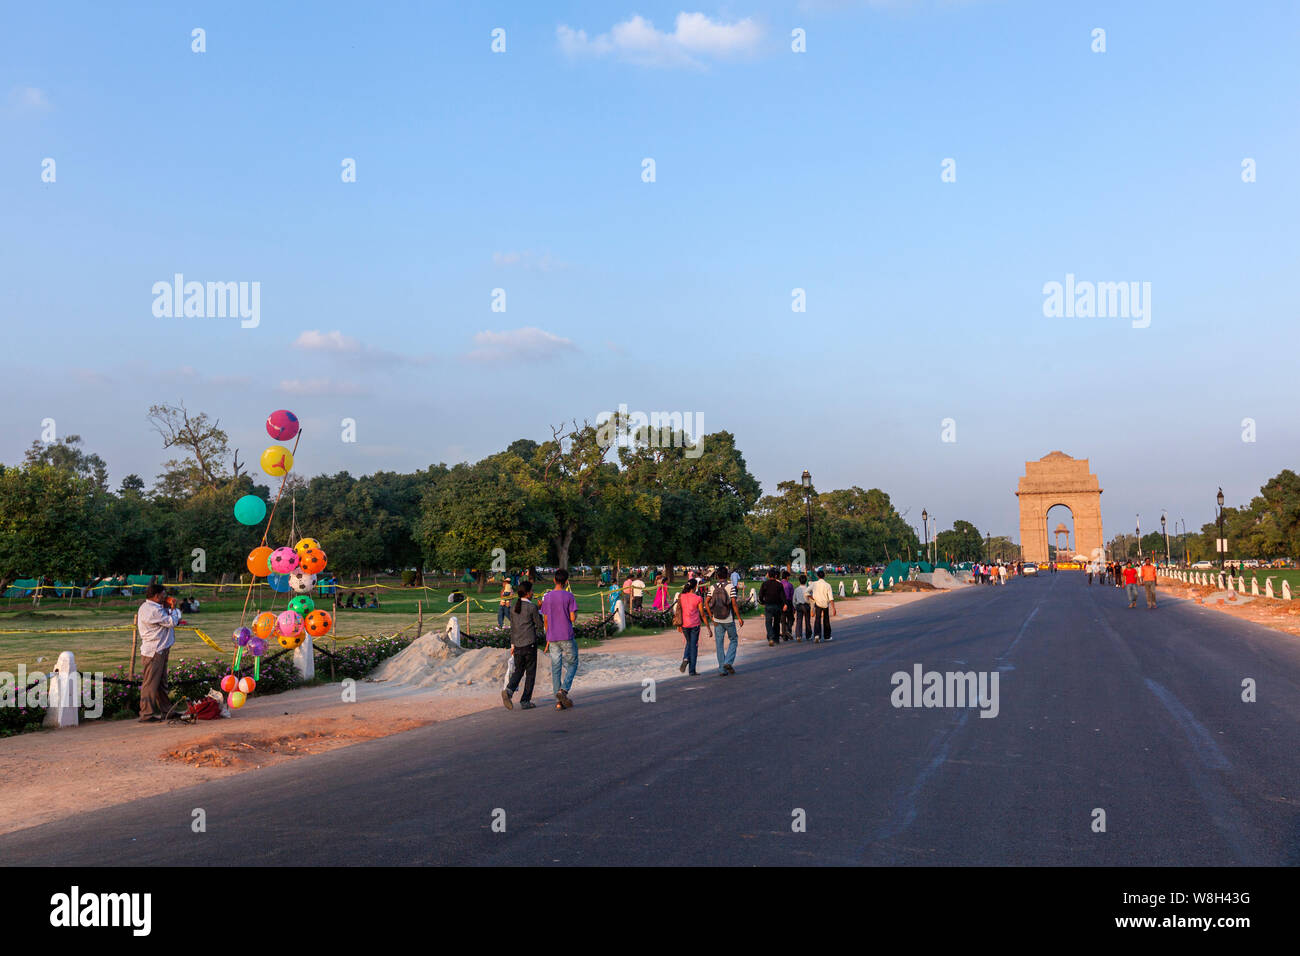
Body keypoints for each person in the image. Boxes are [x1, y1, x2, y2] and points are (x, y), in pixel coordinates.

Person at [137, 583, 181, 722]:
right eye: (163, 594)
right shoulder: (153, 610)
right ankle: (146, 714)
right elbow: (172, 621)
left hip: (159, 650)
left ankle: (167, 710)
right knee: (150, 684)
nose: (166, 596)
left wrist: (168, 607)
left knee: (161, 684)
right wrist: (173, 607)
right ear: (156, 596)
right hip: (154, 652)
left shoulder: (151, 607)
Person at [541, 568, 579, 709]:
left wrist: (547, 635)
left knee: (556, 667)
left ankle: (558, 701)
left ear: (554, 580)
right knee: (573, 663)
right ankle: (563, 690)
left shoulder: (548, 596)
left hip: (552, 636)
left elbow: (545, 618)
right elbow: (572, 618)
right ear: (566, 581)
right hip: (566, 635)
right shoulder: (569, 596)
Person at [502, 580, 541, 710]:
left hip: (517, 644)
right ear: (529, 593)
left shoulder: (513, 607)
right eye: (532, 591)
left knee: (519, 670)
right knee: (530, 673)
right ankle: (525, 701)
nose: (533, 593)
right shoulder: (532, 607)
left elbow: (513, 627)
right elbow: (540, 625)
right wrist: (540, 610)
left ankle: (509, 690)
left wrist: (512, 644)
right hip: (529, 644)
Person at [702, 567, 744, 675]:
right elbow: (734, 604)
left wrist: (711, 616)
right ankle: (728, 661)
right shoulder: (731, 587)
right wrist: (739, 617)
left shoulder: (712, 587)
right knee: (733, 640)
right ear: (727, 575)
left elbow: (706, 603)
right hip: (728, 618)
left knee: (719, 644)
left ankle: (722, 669)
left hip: (716, 619)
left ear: (717, 576)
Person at [675, 579, 703, 675]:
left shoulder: (681, 596)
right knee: (694, 646)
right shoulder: (698, 598)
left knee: (689, 642)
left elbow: (678, 611)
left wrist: (678, 625)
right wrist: (707, 625)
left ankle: (686, 658)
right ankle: (692, 670)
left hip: (684, 625)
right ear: (695, 587)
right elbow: (702, 613)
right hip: (695, 624)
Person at [759, 567, 785, 647]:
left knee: (768, 622)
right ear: (776, 576)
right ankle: (776, 638)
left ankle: (770, 637)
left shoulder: (765, 584)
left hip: (768, 605)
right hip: (777, 605)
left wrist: (762, 602)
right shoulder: (779, 584)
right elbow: (783, 596)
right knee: (776, 622)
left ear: (768, 575)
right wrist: (784, 604)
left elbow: (760, 595)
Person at [809, 569, 835, 641]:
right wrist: (834, 608)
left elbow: (806, 592)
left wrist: (812, 598)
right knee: (826, 620)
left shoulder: (814, 584)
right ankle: (827, 636)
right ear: (824, 576)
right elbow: (831, 598)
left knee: (817, 619)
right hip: (825, 604)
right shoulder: (827, 585)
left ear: (817, 576)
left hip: (817, 603)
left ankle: (817, 635)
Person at [792, 573, 811, 641]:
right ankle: (808, 635)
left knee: (799, 621)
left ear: (799, 581)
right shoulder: (808, 589)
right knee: (807, 621)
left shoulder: (796, 589)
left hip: (799, 606)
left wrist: (795, 607)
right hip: (806, 605)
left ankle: (798, 635)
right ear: (806, 581)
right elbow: (810, 599)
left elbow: (794, 600)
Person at [780, 569, 795, 641]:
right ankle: (788, 630)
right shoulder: (789, 585)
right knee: (791, 618)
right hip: (788, 602)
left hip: (780, 603)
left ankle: (784, 636)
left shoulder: (779, 584)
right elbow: (792, 597)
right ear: (787, 577)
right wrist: (793, 607)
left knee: (783, 620)